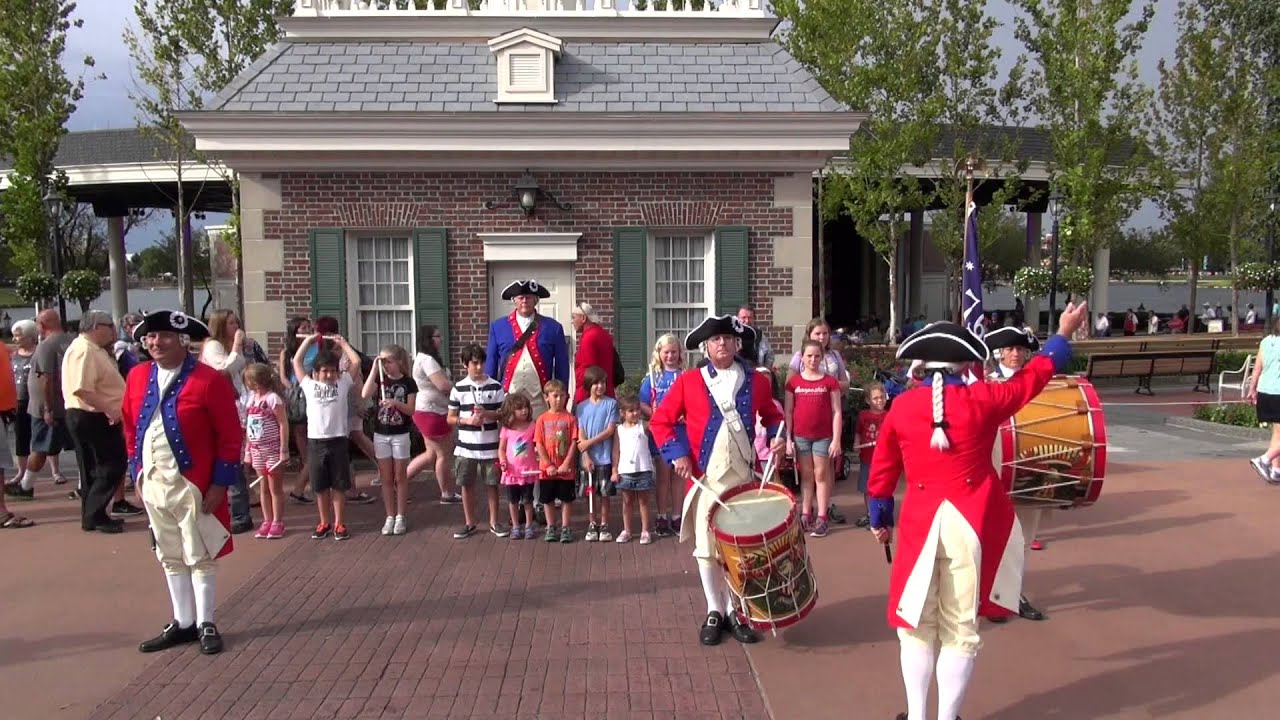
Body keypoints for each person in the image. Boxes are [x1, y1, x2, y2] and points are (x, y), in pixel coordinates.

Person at [866, 304, 1088, 720]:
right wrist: (1062, 333)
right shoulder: (985, 398)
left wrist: (880, 521)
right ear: (964, 364)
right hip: (970, 525)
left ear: (921, 364)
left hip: (919, 528)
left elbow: (881, 475)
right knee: (961, 629)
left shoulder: (901, 408)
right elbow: (1034, 377)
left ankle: (917, 716)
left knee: (915, 625)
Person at [649, 314, 784, 646]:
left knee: (740, 549)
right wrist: (677, 454)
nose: (721, 343)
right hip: (706, 479)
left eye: (726, 338)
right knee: (707, 549)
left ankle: (737, 610)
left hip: (743, 480)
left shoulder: (758, 381)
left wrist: (780, 438)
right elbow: (660, 422)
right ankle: (715, 610)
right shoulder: (689, 382)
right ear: (705, 347)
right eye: (714, 340)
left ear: (737, 343)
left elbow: (774, 416)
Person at [123, 310, 244, 655]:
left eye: (163, 336)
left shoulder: (208, 380)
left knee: (200, 552)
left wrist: (220, 483)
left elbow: (230, 436)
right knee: (169, 552)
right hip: (154, 482)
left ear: (182, 341)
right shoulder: (136, 376)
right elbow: (131, 429)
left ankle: (206, 621)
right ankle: (183, 621)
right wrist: (137, 473)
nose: (154, 343)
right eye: (150, 337)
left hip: (194, 483)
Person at [983, 325, 1048, 623]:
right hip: (994, 470)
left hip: (1029, 469)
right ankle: (991, 596)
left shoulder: (1039, 384)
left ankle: (1014, 594)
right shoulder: (988, 385)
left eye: (1020, 349)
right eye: (1009, 349)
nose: (1015, 354)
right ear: (998, 354)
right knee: (991, 538)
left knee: (1023, 538)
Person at [292, 331, 364, 541]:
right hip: (316, 442)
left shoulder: (342, 384)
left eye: (332, 371)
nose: (329, 375)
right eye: (324, 371)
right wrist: (308, 341)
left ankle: (339, 523)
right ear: (316, 372)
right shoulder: (309, 385)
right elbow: (297, 361)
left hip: (338, 441)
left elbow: (356, 361)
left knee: (340, 485)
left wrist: (343, 342)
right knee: (320, 486)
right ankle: (324, 521)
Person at [62, 310, 129, 534]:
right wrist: (110, 409)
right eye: (109, 325)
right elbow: (82, 388)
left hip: (90, 414)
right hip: (91, 415)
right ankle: (94, 513)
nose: (113, 330)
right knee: (112, 464)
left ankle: (93, 516)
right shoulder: (84, 350)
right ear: (95, 327)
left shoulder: (92, 349)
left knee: (94, 468)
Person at [199, 309, 254, 534]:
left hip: (237, 404)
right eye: (231, 323)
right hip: (221, 407)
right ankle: (237, 512)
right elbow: (223, 370)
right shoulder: (214, 346)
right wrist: (237, 346)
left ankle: (241, 512)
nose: (236, 327)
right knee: (231, 458)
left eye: (237, 323)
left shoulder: (230, 346)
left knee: (239, 458)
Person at [485, 279, 570, 418]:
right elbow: (491, 362)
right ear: (514, 301)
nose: (524, 301)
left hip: (540, 398)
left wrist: (561, 398)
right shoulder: (498, 326)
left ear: (536, 300)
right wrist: (489, 396)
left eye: (528, 297)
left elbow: (562, 366)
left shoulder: (553, 327)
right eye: (520, 297)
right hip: (509, 397)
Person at [449, 343, 507, 539]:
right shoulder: (458, 388)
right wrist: (467, 420)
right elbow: (450, 418)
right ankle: (469, 522)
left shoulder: (496, 386)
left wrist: (488, 414)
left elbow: (503, 414)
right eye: (474, 363)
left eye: (481, 363)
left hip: (490, 447)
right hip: (466, 448)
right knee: (466, 485)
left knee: (492, 485)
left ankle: (494, 522)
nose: (479, 367)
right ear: (465, 364)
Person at [785, 339, 843, 538]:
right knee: (807, 475)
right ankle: (806, 513)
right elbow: (789, 412)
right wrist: (787, 439)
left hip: (823, 436)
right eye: (809, 356)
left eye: (817, 356)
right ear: (802, 357)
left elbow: (837, 411)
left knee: (821, 475)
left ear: (822, 357)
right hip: (801, 436)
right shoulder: (794, 383)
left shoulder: (830, 382)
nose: (813, 359)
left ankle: (822, 516)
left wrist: (836, 439)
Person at [363, 345, 417, 536]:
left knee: (399, 476)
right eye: (382, 361)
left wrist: (396, 403)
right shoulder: (380, 379)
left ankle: (401, 515)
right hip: (381, 433)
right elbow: (365, 393)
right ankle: (390, 516)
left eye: (388, 361)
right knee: (386, 477)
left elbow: (411, 410)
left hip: (400, 433)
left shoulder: (408, 383)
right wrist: (373, 368)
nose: (385, 365)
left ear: (399, 362)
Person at [638, 334, 686, 536]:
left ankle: (677, 516)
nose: (670, 356)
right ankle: (661, 516)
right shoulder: (653, 377)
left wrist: (686, 414)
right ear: (659, 353)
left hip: (681, 431)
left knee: (679, 476)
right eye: (666, 352)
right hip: (661, 432)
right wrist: (653, 413)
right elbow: (642, 403)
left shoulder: (685, 376)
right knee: (663, 476)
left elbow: (693, 401)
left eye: (674, 352)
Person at [408, 325, 459, 504]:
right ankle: (446, 493)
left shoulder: (425, 359)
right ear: (428, 339)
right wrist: (460, 389)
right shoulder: (427, 360)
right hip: (432, 412)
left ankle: (399, 483)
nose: (440, 339)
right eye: (437, 336)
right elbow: (443, 385)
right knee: (443, 454)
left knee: (431, 454)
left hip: (431, 410)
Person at [242, 363, 289, 539]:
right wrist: (247, 450)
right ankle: (267, 520)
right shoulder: (251, 399)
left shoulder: (273, 399)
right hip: (256, 449)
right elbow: (249, 427)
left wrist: (284, 449)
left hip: (272, 449)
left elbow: (283, 423)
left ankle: (278, 521)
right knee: (263, 487)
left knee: (274, 487)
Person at [576, 365, 619, 542]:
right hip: (588, 460)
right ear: (588, 385)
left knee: (605, 494)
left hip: (604, 457)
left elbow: (610, 430)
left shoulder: (611, 404)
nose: (600, 386)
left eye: (602, 383)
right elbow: (581, 432)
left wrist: (588, 443)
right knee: (590, 492)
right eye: (595, 383)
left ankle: (604, 523)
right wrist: (585, 454)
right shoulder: (581, 407)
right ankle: (592, 523)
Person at [535, 379, 578, 543]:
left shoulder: (570, 419)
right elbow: (539, 443)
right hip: (548, 470)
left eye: (562, 396)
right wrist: (548, 464)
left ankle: (566, 527)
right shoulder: (542, 420)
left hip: (565, 470)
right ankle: (551, 526)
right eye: (555, 396)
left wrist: (567, 463)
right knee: (548, 499)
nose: (559, 400)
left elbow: (574, 442)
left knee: (566, 499)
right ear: (546, 397)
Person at [612, 394, 655, 544]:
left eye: (637, 409)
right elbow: (616, 451)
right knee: (627, 502)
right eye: (631, 410)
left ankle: (645, 530)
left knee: (644, 502)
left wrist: (646, 407)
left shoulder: (643, 426)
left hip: (643, 469)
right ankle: (627, 530)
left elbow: (657, 420)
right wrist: (614, 470)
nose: (635, 413)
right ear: (622, 413)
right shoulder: (619, 430)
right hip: (625, 471)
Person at [497, 391, 539, 539]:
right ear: (511, 411)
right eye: (520, 408)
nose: (524, 410)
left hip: (528, 472)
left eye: (526, 407)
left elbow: (538, 445)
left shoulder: (533, 426)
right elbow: (501, 449)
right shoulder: (506, 430)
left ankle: (528, 525)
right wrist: (503, 462)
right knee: (513, 501)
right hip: (512, 473)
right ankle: (515, 526)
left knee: (528, 500)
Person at [1247, 315, 1280, 483]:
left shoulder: (1266, 341)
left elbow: (1257, 368)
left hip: (1265, 391)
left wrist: (1252, 389)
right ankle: (1265, 460)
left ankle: (1276, 469)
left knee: (1277, 432)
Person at [854, 382, 889, 528]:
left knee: (882, 488)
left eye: (882, 397)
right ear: (868, 400)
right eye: (875, 398)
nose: (879, 401)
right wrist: (856, 444)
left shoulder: (888, 415)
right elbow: (858, 432)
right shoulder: (863, 415)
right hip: (867, 459)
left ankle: (881, 515)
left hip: (883, 460)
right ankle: (870, 513)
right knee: (867, 488)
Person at [571, 303, 619, 406]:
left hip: (589, 396)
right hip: (605, 392)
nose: (572, 321)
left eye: (574, 317)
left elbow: (590, 371)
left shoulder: (589, 337)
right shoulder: (603, 334)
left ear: (583, 318)